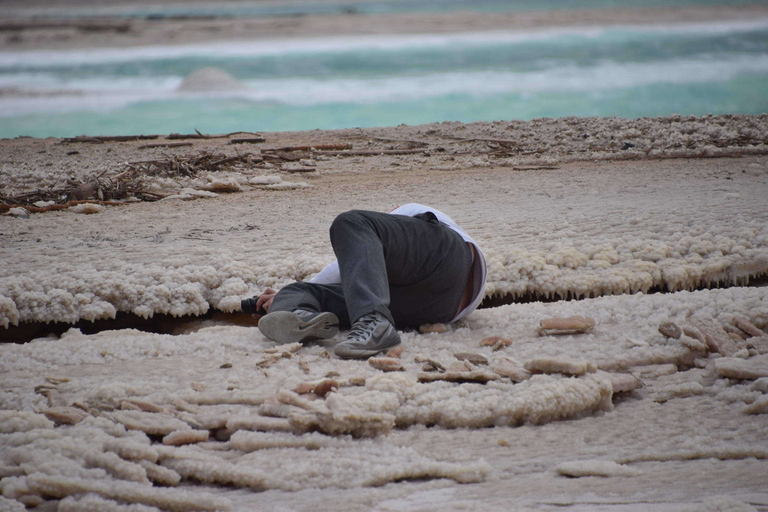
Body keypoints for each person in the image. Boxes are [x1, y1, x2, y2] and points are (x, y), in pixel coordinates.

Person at [251, 203, 487, 359]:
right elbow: (360, 266)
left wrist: (316, 282)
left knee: (352, 223)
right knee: (297, 291)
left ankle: (374, 322)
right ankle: (298, 314)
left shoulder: (408, 211)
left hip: (450, 262)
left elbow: (354, 259)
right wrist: (283, 296)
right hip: (438, 308)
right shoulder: (379, 279)